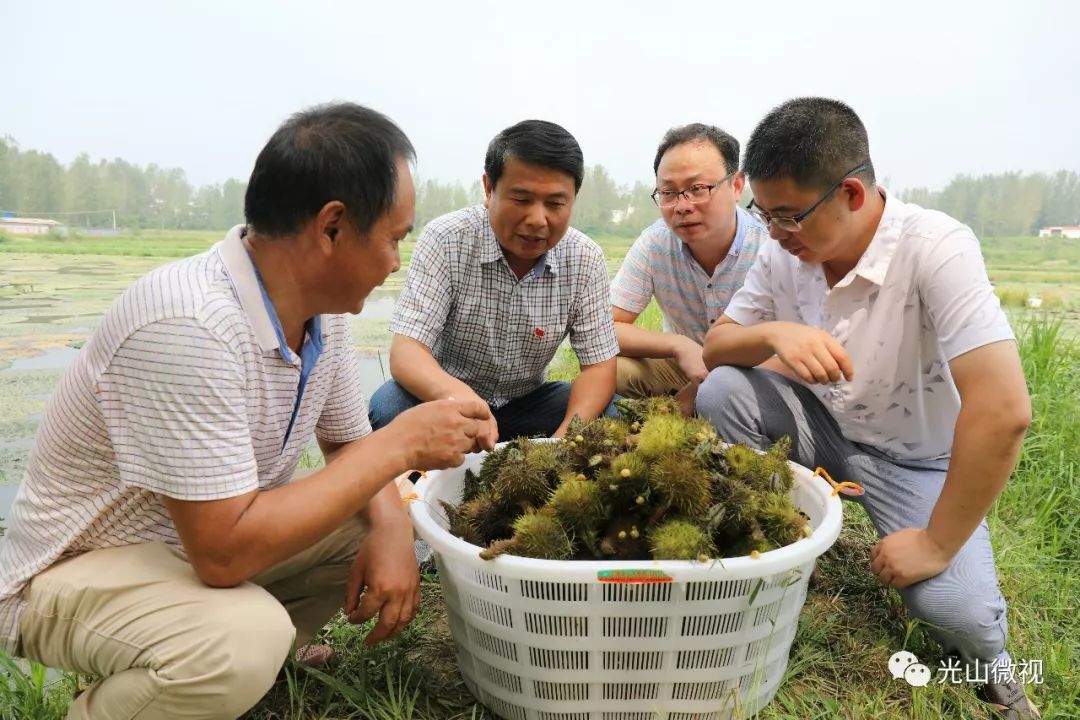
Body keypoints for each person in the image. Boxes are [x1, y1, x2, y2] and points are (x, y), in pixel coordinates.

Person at [0, 102, 489, 720]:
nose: (396, 262)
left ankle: (238, 658)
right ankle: (166, 677)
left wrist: (391, 531)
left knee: (378, 515)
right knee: (241, 641)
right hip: (75, 570)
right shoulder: (188, 324)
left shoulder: (324, 315)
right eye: (393, 239)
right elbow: (224, 554)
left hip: (190, 547)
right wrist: (401, 445)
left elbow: (345, 443)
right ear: (332, 227)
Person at [695, 97, 1038, 719]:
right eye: (764, 214)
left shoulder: (936, 247)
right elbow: (718, 347)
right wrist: (776, 335)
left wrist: (934, 545)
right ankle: (781, 542)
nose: (773, 232)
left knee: (955, 614)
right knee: (722, 393)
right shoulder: (784, 251)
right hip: (824, 429)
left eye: (789, 216)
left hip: (917, 461)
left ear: (851, 193)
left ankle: (1001, 679)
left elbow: (1003, 410)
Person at [368, 119, 620, 443]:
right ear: (489, 189)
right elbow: (407, 352)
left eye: (555, 204)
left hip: (527, 402)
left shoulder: (585, 258)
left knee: (609, 412)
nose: (537, 220)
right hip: (448, 398)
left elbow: (599, 367)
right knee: (389, 406)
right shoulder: (447, 239)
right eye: (522, 199)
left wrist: (559, 444)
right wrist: (460, 397)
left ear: (573, 200)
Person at [610, 123, 769, 416]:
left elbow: (787, 347)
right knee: (611, 368)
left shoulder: (769, 247)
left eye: (697, 189)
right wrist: (678, 345)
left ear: (736, 186)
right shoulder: (656, 242)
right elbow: (607, 329)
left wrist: (704, 390)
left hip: (754, 373)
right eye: (668, 192)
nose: (681, 206)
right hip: (684, 365)